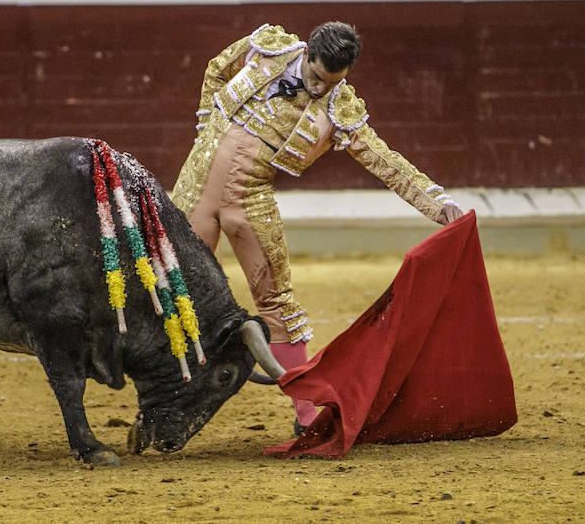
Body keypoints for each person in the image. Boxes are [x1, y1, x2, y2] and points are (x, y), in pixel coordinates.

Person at [170, 22, 463, 434]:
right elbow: (217, 68)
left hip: (248, 200)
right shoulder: (268, 47)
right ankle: (164, 401)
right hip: (195, 187)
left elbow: (385, 161)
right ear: (307, 55)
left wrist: (438, 204)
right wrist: (205, 128)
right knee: (166, 287)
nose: (321, 89)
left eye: (333, 82)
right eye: (317, 78)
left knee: (276, 302)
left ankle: (307, 414)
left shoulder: (338, 107)